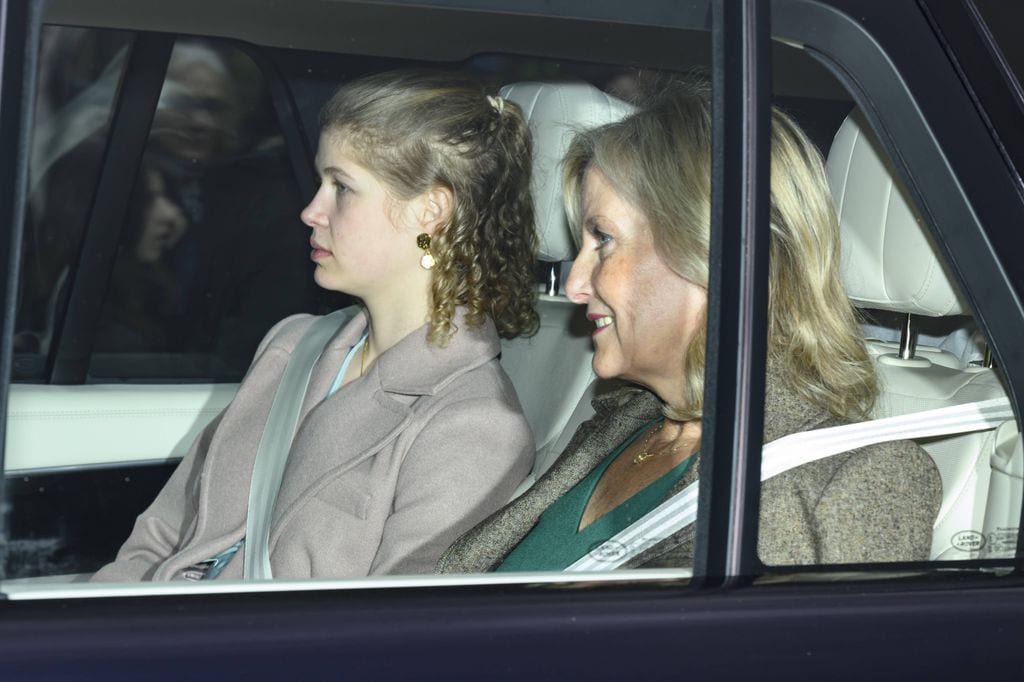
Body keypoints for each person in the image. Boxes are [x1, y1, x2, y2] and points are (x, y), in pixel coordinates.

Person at [437, 80, 942, 572]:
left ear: (713, 257)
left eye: (603, 240)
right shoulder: (625, 421)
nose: (575, 285)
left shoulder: (850, 479)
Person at [93, 69, 539, 581]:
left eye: (341, 187)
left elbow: (391, 633)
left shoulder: (474, 427)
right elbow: (160, 535)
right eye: (320, 183)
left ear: (431, 210)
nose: (310, 211)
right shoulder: (294, 345)